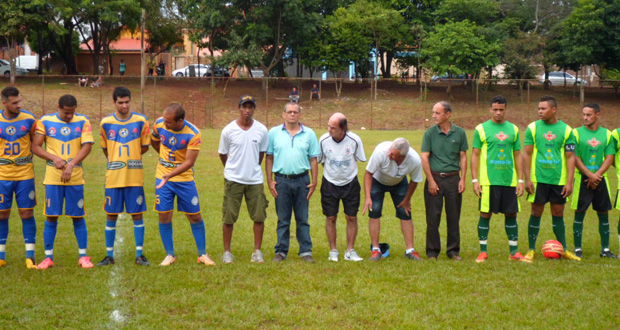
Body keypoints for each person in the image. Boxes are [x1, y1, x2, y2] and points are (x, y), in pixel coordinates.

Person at [32, 95, 94, 269]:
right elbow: (35, 146)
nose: (69, 116)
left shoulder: (83, 121)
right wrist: (53, 158)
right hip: (53, 178)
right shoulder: (45, 121)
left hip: (75, 177)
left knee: (78, 216)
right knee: (51, 216)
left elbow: (87, 146)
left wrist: (72, 164)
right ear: (58, 107)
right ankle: (48, 258)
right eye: (67, 113)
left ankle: (83, 257)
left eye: (72, 113)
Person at [151, 103, 215, 266]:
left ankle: (202, 254)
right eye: (164, 121)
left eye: (169, 122)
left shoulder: (193, 133)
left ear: (180, 121)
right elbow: (155, 141)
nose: (165, 124)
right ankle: (170, 255)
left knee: (194, 216)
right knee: (164, 214)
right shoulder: (159, 123)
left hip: (184, 180)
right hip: (163, 177)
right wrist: (164, 163)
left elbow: (189, 162)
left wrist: (170, 174)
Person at [471, 96, 530, 263]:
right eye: (495, 109)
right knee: (485, 213)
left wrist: (520, 180)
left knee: (511, 213)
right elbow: (475, 155)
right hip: (488, 181)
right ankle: (483, 251)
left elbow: (518, 155)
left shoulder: (513, 129)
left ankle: (514, 251)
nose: (498, 112)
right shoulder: (481, 129)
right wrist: (475, 181)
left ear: (506, 110)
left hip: (509, 180)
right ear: (490, 109)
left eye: (501, 109)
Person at [97, 87, 151, 267]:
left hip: (134, 176)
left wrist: (131, 159)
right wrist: (117, 162)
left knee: (137, 214)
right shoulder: (105, 123)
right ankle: (109, 255)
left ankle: (140, 254)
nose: (124, 105)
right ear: (114, 102)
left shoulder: (141, 121)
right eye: (120, 102)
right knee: (111, 215)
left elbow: (144, 147)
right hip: (113, 177)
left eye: (127, 102)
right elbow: (106, 149)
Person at [523, 95, 580, 261]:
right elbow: (526, 154)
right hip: (538, 179)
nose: (540, 111)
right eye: (539, 108)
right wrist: (527, 179)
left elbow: (570, 157)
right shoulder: (532, 128)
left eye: (543, 108)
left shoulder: (567, 130)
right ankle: (531, 249)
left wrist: (569, 182)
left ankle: (564, 249)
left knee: (558, 212)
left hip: (558, 179)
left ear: (553, 110)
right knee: (536, 211)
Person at [265, 102, 320, 263]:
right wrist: (270, 180)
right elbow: (269, 157)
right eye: (289, 112)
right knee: (283, 218)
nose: (292, 115)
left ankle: (305, 250)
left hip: (303, 180)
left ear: (299, 115)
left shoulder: (309, 134)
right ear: (283, 114)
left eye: (295, 112)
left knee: (303, 217)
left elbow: (313, 159)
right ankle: (281, 251)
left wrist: (314, 181)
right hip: (281, 180)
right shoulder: (274, 133)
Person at [218, 95, 269, 264]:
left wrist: (252, 167)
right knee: (229, 216)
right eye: (244, 107)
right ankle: (227, 252)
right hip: (233, 180)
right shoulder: (228, 130)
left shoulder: (261, 130)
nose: (247, 110)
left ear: (254, 109)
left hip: (254, 180)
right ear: (239, 108)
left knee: (259, 216)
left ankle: (257, 251)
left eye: (251, 107)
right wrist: (232, 169)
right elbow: (223, 154)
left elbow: (261, 154)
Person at [362, 138, 423, 261]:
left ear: (403, 156)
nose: (389, 154)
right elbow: (368, 173)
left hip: (400, 183)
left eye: (393, 154)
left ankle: (410, 250)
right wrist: (368, 197)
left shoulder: (414, 160)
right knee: (374, 211)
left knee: (405, 213)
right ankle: (375, 250)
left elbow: (414, 181)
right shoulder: (381, 151)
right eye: (390, 151)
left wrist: (407, 200)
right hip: (378, 181)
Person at [421, 101, 468, 260]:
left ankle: (453, 251)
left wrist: (463, 179)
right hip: (434, 178)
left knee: (454, 217)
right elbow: (424, 158)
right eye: (433, 112)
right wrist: (431, 181)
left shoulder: (460, 133)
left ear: (448, 114)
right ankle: (432, 252)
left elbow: (463, 156)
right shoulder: (429, 133)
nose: (433, 116)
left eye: (437, 113)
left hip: (453, 179)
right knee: (433, 217)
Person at [318, 113, 366, 262]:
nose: (329, 130)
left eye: (333, 127)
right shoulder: (323, 140)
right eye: (328, 126)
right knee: (331, 217)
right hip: (329, 183)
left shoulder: (355, 140)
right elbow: (321, 160)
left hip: (350, 183)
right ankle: (333, 251)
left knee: (351, 217)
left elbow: (358, 159)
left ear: (343, 128)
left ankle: (350, 251)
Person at [570, 104, 616, 258]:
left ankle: (605, 249)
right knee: (579, 211)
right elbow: (574, 157)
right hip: (582, 178)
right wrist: (589, 174)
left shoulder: (607, 134)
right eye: (583, 114)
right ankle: (577, 249)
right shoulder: (575, 133)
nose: (585, 118)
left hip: (601, 178)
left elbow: (610, 157)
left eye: (589, 115)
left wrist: (596, 176)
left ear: (598, 115)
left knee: (603, 212)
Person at [0, 87, 38, 269]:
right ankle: (1, 255)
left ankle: (30, 256)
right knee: (2, 214)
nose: (19, 105)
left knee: (26, 213)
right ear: (4, 103)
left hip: (25, 175)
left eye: (20, 101)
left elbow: (36, 144)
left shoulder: (29, 119)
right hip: (2, 176)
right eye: (15, 103)